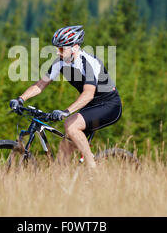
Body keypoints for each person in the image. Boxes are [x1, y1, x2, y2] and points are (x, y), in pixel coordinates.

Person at [9, 25, 122, 169]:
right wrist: (20, 99)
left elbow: (88, 94)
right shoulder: (60, 62)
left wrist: (66, 111)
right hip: (90, 106)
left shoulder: (88, 63)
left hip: (109, 105)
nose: (58, 52)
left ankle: (93, 168)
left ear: (74, 48)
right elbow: (40, 85)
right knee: (63, 155)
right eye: (56, 48)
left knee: (70, 124)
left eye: (61, 49)